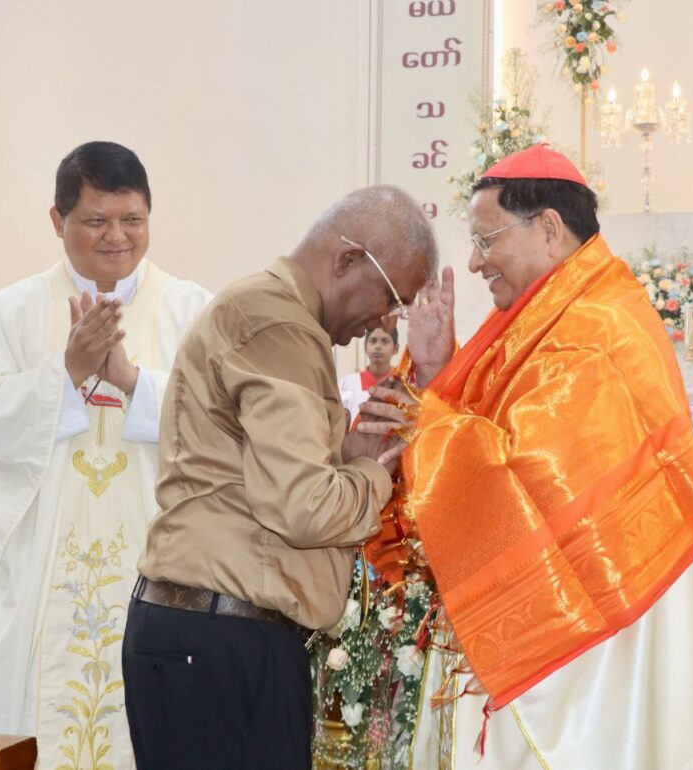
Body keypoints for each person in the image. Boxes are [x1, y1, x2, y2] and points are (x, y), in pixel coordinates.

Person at [368, 145, 693, 768]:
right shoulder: (550, 313)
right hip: (574, 604)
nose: (475, 260)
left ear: (547, 228)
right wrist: (434, 372)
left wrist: (422, 419)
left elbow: (528, 471)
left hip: (597, 638)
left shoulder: (597, 326)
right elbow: (493, 434)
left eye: (486, 239)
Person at [124, 185, 438, 769]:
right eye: (392, 298)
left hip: (202, 632)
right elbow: (303, 508)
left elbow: (257, 472)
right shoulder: (279, 324)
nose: (387, 320)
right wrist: (373, 475)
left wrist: (347, 454)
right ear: (347, 259)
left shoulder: (268, 311)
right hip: (224, 641)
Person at [0, 141, 211, 769]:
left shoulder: (193, 310)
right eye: (96, 221)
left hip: (160, 574)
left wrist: (133, 382)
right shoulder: (11, 311)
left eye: (132, 219)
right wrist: (62, 375)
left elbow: (225, 421)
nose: (117, 236)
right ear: (57, 220)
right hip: (40, 575)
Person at [338, 325, 399, 422]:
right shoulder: (346, 384)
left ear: (396, 348)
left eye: (385, 341)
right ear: (365, 347)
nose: (378, 346)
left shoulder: (403, 385)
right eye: (373, 341)